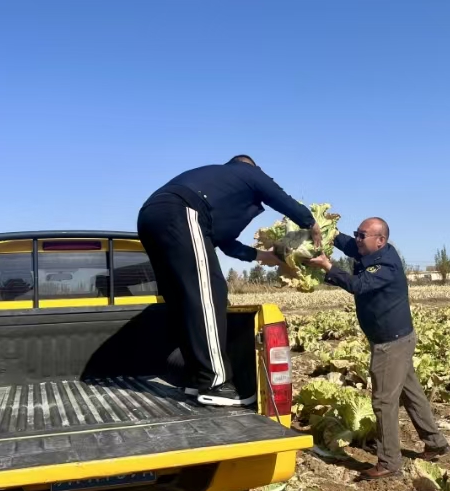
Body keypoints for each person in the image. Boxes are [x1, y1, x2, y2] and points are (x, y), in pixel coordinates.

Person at [137, 155, 321, 407]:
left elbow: (227, 245)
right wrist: (309, 222)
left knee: (183, 298)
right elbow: (279, 197)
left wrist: (263, 256)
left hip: (150, 216)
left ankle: (197, 377)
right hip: (180, 210)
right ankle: (215, 382)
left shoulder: (218, 187)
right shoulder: (247, 172)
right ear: (250, 167)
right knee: (210, 293)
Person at [306, 217, 450, 480]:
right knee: (411, 393)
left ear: (380, 240)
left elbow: (357, 286)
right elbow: (349, 245)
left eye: (363, 236)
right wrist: (327, 233)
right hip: (397, 339)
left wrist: (328, 266)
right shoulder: (369, 251)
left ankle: (390, 462)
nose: (357, 240)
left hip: (391, 343)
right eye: (357, 234)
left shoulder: (386, 265)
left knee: (384, 401)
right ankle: (435, 442)